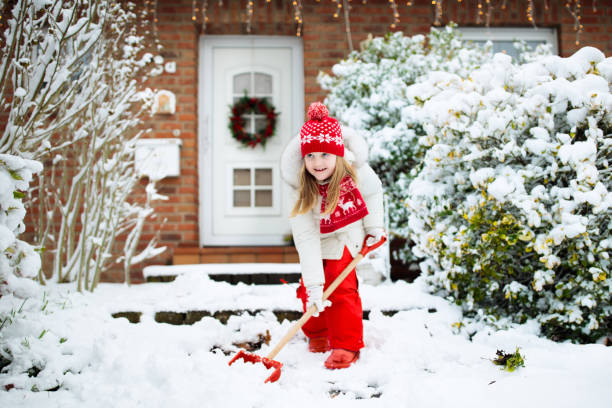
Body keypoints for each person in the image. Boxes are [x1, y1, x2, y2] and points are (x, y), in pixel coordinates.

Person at [280, 102, 386, 369]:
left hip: (347, 236)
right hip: (317, 239)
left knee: (341, 290)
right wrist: (315, 285)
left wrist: (374, 228)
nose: (317, 163)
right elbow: (305, 237)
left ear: (339, 154)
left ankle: (346, 344)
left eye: (325, 154)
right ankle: (317, 333)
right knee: (310, 289)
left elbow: (374, 193)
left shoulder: (358, 173)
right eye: (310, 156)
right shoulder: (300, 188)